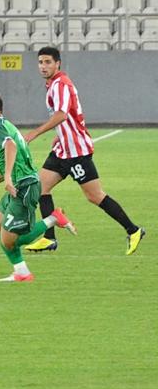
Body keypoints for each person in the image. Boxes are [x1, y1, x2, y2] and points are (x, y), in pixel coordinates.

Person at [23, 47, 145, 255]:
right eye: (40, 62)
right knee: (41, 187)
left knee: (95, 196)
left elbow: (61, 115)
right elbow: (69, 115)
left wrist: (34, 134)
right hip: (63, 149)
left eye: (48, 62)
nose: (43, 66)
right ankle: (48, 238)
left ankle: (133, 230)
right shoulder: (54, 84)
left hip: (76, 152)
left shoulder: (60, 84)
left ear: (58, 63)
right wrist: (59, 135)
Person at [0, 90, 76, 282]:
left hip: (24, 186)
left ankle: (53, 218)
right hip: (21, 183)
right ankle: (21, 272)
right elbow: (14, 161)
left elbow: (10, 147)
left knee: (10, 240)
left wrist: (6, 179)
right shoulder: (8, 125)